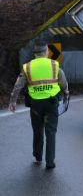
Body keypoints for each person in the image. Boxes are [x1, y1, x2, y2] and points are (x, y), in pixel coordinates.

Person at [8, 40, 69, 169]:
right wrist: (66, 93)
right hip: (51, 103)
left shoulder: (27, 67)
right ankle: (50, 162)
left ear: (35, 53)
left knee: (37, 131)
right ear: (46, 51)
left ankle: (37, 156)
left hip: (35, 104)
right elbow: (63, 81)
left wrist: (13, 101)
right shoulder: (54, 65)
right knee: (50, 132)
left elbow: (18, 86)